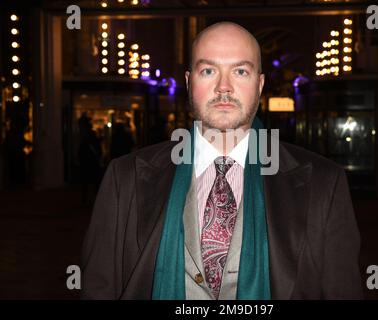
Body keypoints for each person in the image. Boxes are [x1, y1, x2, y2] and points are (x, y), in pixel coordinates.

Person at [81, 22, 363, 299]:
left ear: (260, 84)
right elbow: (99, 288)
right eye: (208, 70)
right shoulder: (124, 178)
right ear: (190, 82)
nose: (223, 87)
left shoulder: (324, 184)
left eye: (240, 71)